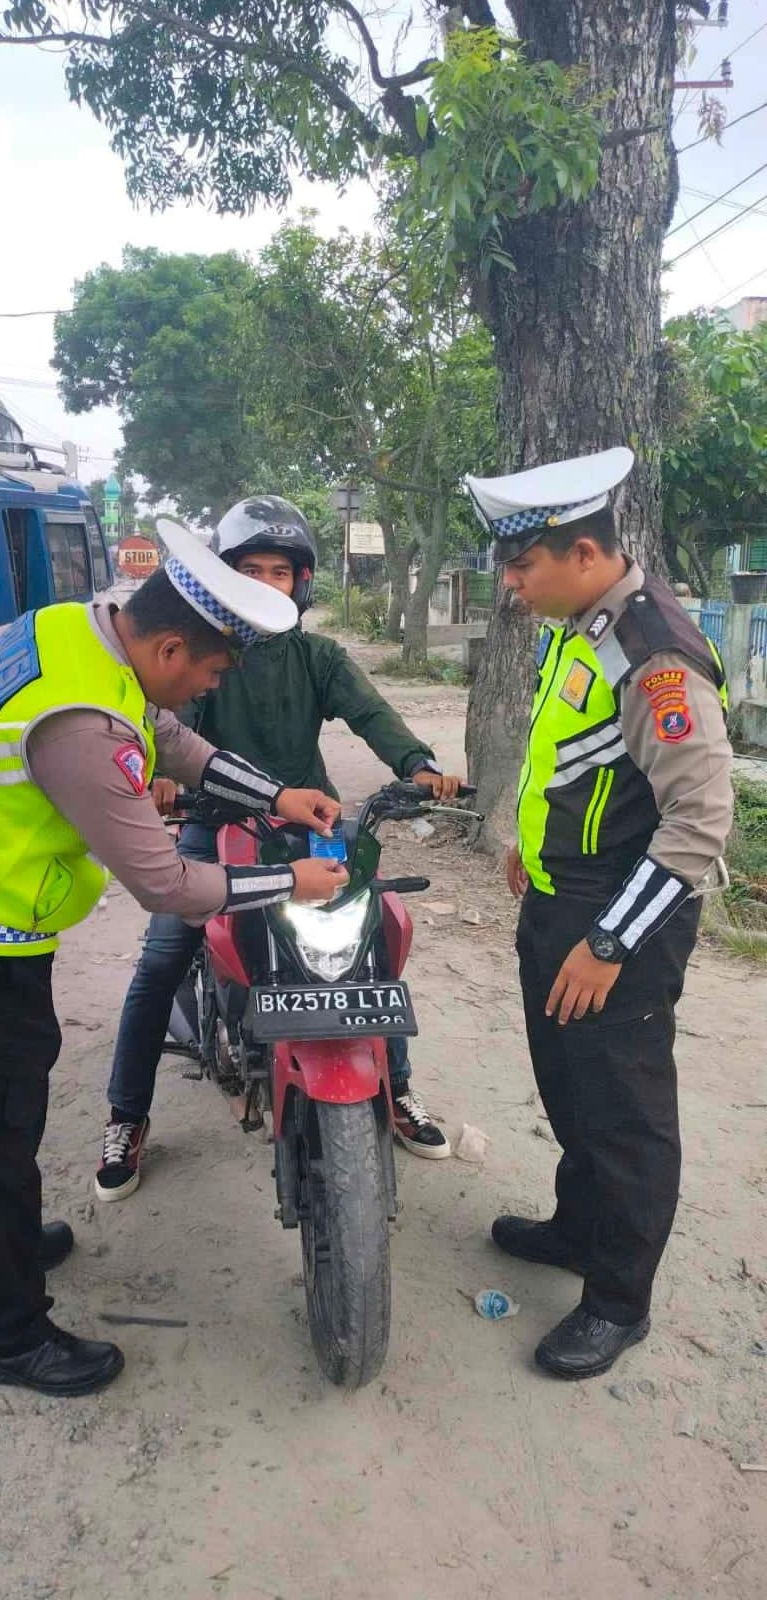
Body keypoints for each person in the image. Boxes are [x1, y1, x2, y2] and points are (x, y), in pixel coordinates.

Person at [0, 521, 347, 1399]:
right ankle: (8, 1334)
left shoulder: (77, 626)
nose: (210, 687)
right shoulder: (87, 730)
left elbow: (166, 732)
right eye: (211, 670)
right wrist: (290, 881)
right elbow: (167, 883)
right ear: (168, 642)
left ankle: (5, 1242)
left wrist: (274, 792)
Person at [96, 495, 464, 1204]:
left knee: (371, 943)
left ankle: (398, 1090)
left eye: (281, 571)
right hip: (212, 819)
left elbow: (370, 713)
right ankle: (125, 1115)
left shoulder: (317, 654)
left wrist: (417, 765)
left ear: (302, 582)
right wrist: (161, 783)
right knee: (163, 955)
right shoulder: (210, 650)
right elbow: (174, 729)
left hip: (308, 820)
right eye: (251, 569)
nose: (268, 583)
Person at [465, 447, 733, 1380]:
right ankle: (577, 1230)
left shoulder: (652, 651)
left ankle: (618, 1301)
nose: (509, 582)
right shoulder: (580, 625)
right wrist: (529, 849)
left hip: (622, 917)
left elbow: (699, 822)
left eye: (520, 564)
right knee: (568, 1082)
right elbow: (574, 763)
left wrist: (609, 940)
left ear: (583, 551)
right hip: (559, 896)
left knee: (623, 1111)